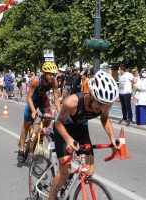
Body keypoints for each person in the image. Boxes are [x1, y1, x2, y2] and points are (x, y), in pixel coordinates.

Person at [49, 71, 120, 200]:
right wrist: (69, 140)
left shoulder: (105, 104)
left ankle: (67, 183)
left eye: (105, 105)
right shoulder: (72, 103)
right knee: (65, 171)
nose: (102, 108)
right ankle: (52, 196)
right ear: (91, 95)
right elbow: (58, 123)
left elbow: (105, 119)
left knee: (89, 170)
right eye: (99, 103)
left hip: (81, 130)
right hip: (64, 130)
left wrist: (112, 139)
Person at [17, 62, 61, 163]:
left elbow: (56, 98)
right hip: (32, 100)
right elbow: (28, 97)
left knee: (48, 118)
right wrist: (33, 111)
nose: (52, 76)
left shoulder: (54, 82)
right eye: (49, 74)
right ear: (44, 73)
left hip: (42, 99)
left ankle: (34, 138)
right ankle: (22, 147)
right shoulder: (36, 80)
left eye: (53, 74)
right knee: (27, 124)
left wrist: (60, 113)